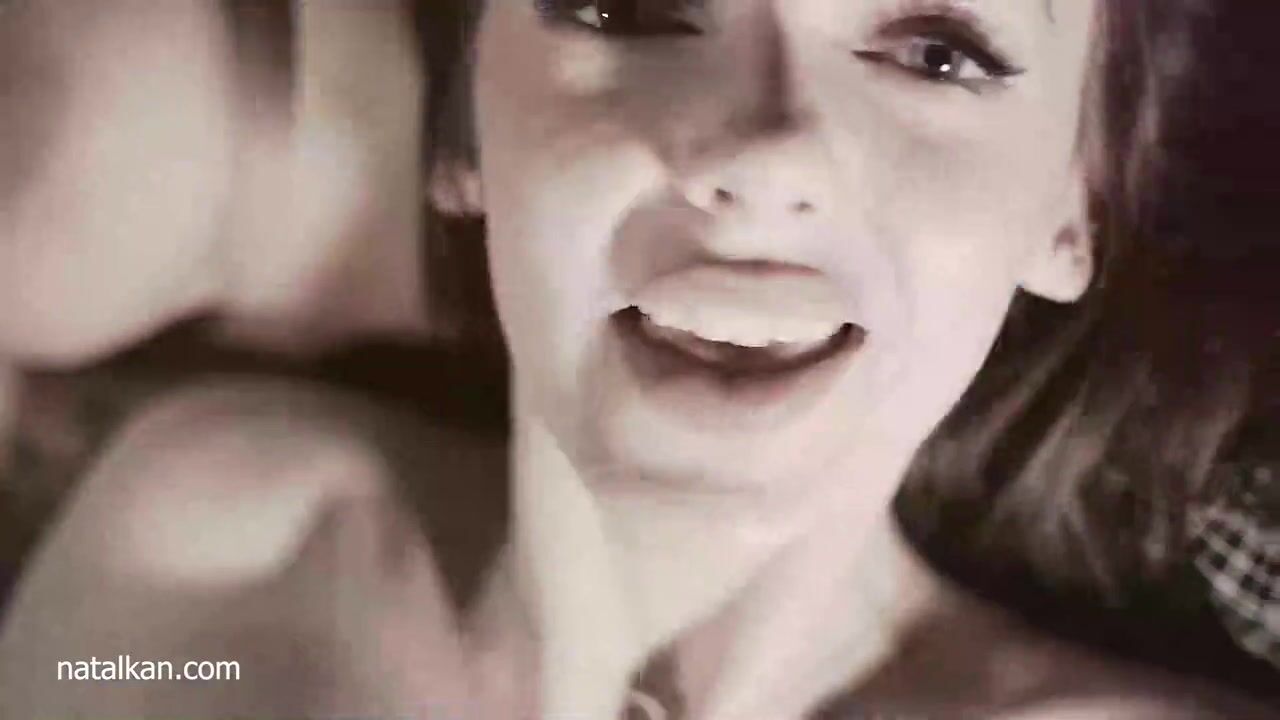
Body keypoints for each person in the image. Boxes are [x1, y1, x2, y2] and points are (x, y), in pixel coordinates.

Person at [0, 1, 1274, 718]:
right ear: (464, 139)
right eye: (632, 3)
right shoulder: (227, 534)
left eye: (935, 52)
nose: (770, 151)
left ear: (1068, 213)